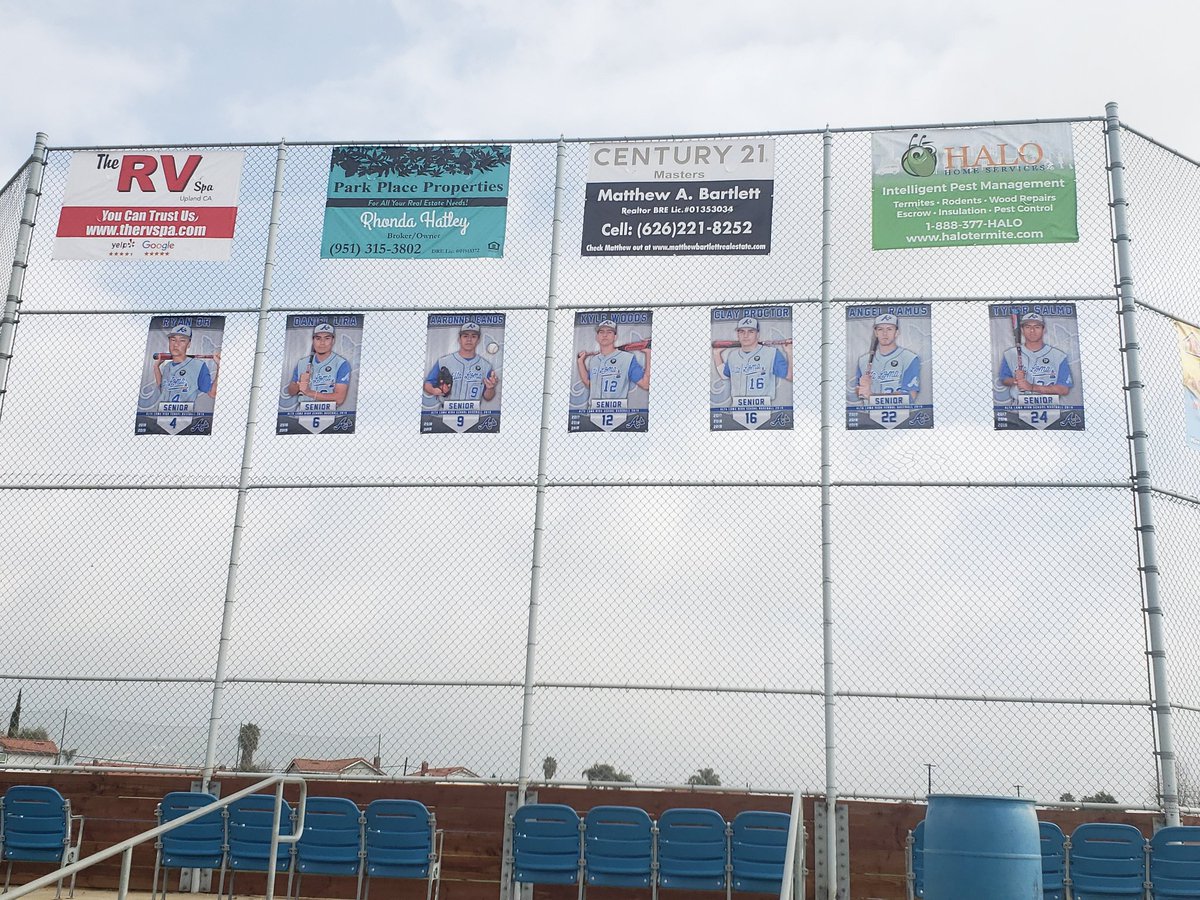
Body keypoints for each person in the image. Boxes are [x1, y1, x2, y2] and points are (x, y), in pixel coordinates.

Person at [712, 316, 792, 401]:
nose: (745, 335)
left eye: (751, 331)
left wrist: (789, 352)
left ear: (758, 334)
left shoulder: (772, 353)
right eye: (742, 331)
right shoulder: (733, 355)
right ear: (738, 334)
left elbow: (790, 376)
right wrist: (716, 354)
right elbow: (724, 375)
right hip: (737, 406)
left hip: (763, 405)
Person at [998, 312, 1072, 399]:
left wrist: (1031, 387)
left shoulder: (1059, 356)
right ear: (1022, 330)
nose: (1032, 330)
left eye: (1037, 327)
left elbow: (1064, 389)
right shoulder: (1010, 354)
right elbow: (1004, 379)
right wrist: (1016, 380)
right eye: (1028, 327)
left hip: (1050, 405)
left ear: (1044, 330)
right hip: (1020, 405)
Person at [423, 321, 498, 403]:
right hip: (447, 409)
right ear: (459, 339)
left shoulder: (486, 366)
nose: (469, 340)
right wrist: (433, 390)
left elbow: (488, 397)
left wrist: (490, 388)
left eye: (473, 336)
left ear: (478, 340)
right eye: (465, 336)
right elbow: (428, 384)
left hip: (473, 410)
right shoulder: (443, 362)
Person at [576, 318, 651, 400]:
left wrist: (648, 354)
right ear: (597, 337)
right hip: (594, 407)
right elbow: (589, 384)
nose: (605, 335)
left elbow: (645, 384)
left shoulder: (627, 358)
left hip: (616, 407)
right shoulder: (594, 360)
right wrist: (580, 362)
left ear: (615, 337)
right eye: (601, 332)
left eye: (609, 332)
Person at [852, 313, 920, 401]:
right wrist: (862, 388)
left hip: (900, 410)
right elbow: (859, 391)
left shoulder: (909, 358)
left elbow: (910, 396)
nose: (885, 333)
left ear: (897, 332)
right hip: (869, 410)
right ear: (876, 333)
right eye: (880, 329)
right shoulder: (863, 360)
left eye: (889, 329)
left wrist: (871, 396)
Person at [287, 323, 352, 407]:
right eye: (318, 338)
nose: (322, 342)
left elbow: (339, 398)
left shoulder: (341, 363)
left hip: (328, 412)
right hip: (303, 411)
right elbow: (291, 392)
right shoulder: (302, 363)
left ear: (333, 341)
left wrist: (309, 392)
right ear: (313, 340)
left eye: (327, 338)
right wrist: (299, 383)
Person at [154, 323, 219, 406]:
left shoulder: (198, 366)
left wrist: (219, 367)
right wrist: (156, 367)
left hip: (186, 413)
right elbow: (162, 389)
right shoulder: (167, 367)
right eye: (173, 340)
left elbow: (212, 393)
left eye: (182, 340)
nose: (176, 344)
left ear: (188, 344)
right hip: (163, 412)